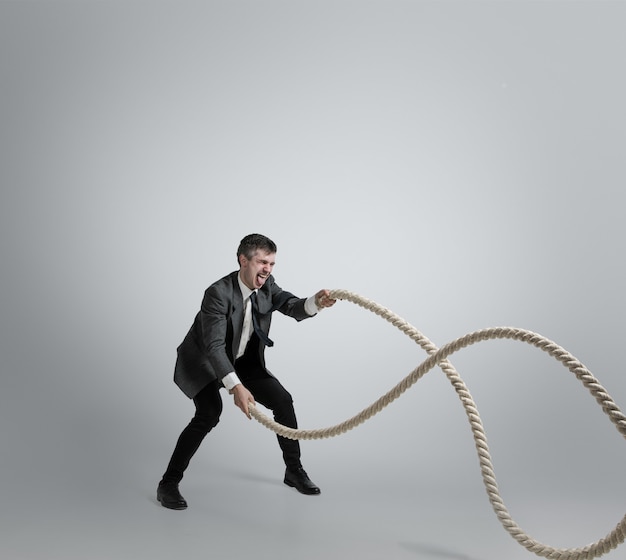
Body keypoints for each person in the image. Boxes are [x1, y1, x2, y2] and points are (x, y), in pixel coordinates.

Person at [157, 233, 336, 510]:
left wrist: (316, 302)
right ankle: (168, 483)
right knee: (208, 413)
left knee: (283, 401)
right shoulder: (217, 293)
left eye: (272, 263)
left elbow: (290, 304)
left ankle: (293, 471)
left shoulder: (267, 285)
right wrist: (235, 386)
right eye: (262, 262)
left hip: (242, 361)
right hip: (204, 362)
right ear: (244, 260)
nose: (267, 269)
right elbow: (214, 346)